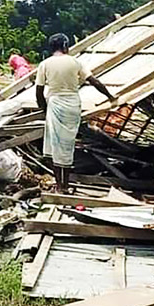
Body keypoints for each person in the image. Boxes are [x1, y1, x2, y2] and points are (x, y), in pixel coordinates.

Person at [36, 33, 115, 192]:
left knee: (55, 147)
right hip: (72, 104)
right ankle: (66, 184)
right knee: (67, 145)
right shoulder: (76, 62)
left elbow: (39, 92)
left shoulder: (45, 64)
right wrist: (110, 96)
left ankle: (60, 185)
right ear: (66, 45)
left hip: (55, 104)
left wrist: (45, 110)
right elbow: (94, 81)